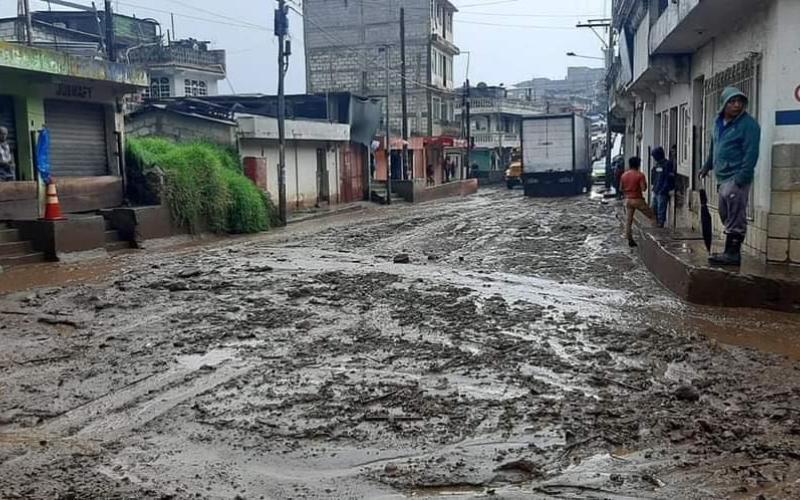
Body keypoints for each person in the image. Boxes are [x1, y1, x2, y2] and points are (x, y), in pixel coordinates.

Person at [700, 86, 761, 266]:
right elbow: (714, 147)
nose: (736, 105)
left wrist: (742, 178)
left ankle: (732, 254)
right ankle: (731, 249)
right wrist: (707, 166)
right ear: (724, 104)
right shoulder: (718, 122)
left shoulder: (749, 125)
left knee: (735, 214)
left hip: (737, 176)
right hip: (722, 177)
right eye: (732, 102)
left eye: (740, 102)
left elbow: (751, 153)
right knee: (724, 212)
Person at [620, 156, 656, 247]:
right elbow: (644, 188)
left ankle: (629, 238)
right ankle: (656, 237)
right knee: (652, 217)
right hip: (638, 199)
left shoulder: (624, 175)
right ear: (638, 164)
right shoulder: (640, 175)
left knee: (628, 220)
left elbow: (621, 188)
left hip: (628, 200)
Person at [651, 147, 676, 228]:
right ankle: (656, 222)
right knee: (654, 207)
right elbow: (655, 177)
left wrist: (663, 189)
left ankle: (660, 223)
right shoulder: (657, 165)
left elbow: (668, 178)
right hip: (656, 189)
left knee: (661, 208)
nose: (654, 158)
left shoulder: (667, 164)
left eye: (655, 156)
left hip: (663, 191)